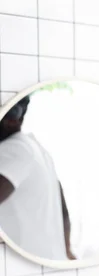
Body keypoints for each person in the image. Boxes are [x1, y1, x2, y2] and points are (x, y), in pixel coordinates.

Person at [0, 95, 75, 260]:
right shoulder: (33, 146)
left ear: (13, 121)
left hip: (25, 260)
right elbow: (64, 211)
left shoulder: (14, 150)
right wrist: (67, 251)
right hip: (45, 259)